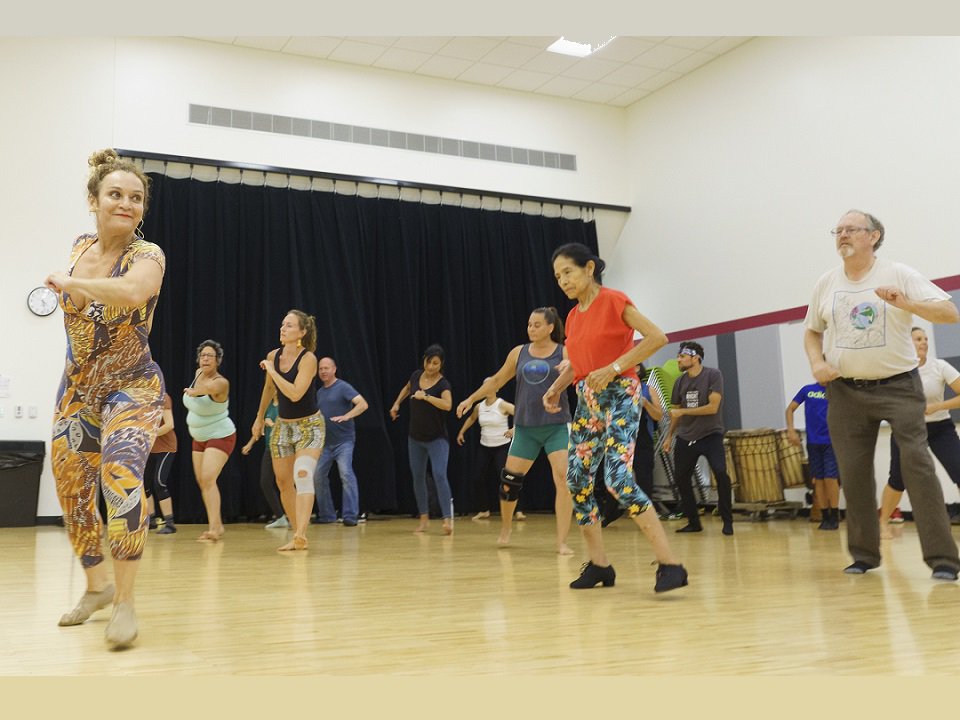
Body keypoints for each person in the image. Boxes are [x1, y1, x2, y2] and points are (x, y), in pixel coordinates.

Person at [45, 148, 166, 649]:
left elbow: (135, 293)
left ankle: (126, 603)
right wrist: (70, 289)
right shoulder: (78, 247)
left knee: (120, 480)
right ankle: (97, 587)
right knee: (72, 489)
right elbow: (74, 308)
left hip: (132, 386)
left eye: (135, 198)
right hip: (78, 389)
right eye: (115, 194)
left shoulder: (148, 255)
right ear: (93, 200)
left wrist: (74, 285)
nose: (127, 204)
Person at [804, 209, 960, 580]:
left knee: (916, 467)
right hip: (844, 391)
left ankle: (943, 560)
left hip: (899, 387)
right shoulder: (827, 283)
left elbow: (949, 312)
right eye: (837, 230)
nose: (842, 235)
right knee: (854, 475)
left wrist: (906, 303)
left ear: (873, 236)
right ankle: (863, 555)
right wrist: (816, 363)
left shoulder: (899, 273)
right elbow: (812, 331)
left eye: (851, 230)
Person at [543, 243, 688, 593]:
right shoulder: (574, 317)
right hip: (588, 399)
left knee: (617, 479)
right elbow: (580, 364)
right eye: (558, 276)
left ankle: (670, 565)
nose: (563, 280)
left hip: (621, 392)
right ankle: (599, 565)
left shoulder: (614, 300)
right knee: (576, 479)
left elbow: (657, 337)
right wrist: (556, 387)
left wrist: (614, 368)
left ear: (589, 268)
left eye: (569, 272)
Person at [456, 309, 574, 553]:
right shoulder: (518, 353)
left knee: (563, 481)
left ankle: (562, 541)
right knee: (509, 482)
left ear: (550, 328)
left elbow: (575, 373)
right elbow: (496, 380)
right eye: (530, 324)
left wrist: (570, 367)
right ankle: (506, 530)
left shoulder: (563, 352)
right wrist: (471, 399)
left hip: (556, 426)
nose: (531, 329)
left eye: (537, 325)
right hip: (525, 427)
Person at [251, 310, 325, 551]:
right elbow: (269, 389)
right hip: (283, 426)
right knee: (283, 482)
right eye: (282, 324)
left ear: (302, 333)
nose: (283, 328)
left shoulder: (308, 359)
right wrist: (259, 418)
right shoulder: (274, 355)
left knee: (302, 474)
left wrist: (272, 370)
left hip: (309, 426)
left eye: (289, 325)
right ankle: (297, 534)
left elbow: (294, 393)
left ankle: (301, 534)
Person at [879, 327, 960, 538]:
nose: (923, 342)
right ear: (907, 343)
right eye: (917, 339)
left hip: (940, 428)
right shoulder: (896, 369)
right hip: (907, 430)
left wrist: (937, 407)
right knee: (898, 479)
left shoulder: (939, 366)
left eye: (925, 339)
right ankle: (882, 523)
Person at [660, 341, 735, 536]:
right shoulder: (680, 382)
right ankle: (694, 522)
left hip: (711, 435)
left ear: (696, 358)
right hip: (686, 436)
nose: (679, 359)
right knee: (681, 478)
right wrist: (669, 437)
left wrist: (682, 410)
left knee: (720, 473)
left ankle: (727, 521)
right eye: (679, 356)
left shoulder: (713, 375)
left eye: (682, 356)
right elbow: (676, 414)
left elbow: (712, 407)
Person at [390, 344, 455, 535]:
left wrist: (426, 396)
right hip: (415, 437)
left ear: (441, 364)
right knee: (417, 477)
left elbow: (448, 405)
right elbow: (407, 387)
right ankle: (424, 519)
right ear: (424, 360)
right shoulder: (416, 375)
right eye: (429, 362)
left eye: (436, 363)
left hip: (437, 439)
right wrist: (396, 403)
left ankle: (447, 519)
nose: (432, 366)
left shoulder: (443, 384)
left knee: (439, 475)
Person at [183, 340, 236, 542]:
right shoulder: (197, 373)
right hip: (199, 437)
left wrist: (194, 392)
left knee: (208, 478)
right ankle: (216, 525)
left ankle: (215, 529)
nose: (205, 359)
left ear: (217, 361)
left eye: (210, 356)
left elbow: (208, 389)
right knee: (202, 481)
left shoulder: (221, 382)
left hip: (220, 435)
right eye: (203, 355)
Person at [598, 363, 663, 527]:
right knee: (615, 476)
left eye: (635, 366)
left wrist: (646, 404)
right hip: (620, 438)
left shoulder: (648, 389)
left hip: (642, 439)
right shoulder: (615, 389)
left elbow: (659, 416)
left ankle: (645, 516)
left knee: (644, 478)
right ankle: (610, 513)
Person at [313, 357, 368, 527]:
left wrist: (347, 416)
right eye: (321, 368)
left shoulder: (343, 387)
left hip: (344, 442)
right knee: (317, 476)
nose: (323, 371)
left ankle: (351, 515)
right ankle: (327, 515)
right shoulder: (320, 393)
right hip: (325, 443)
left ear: (334, 369)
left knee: (345, 473)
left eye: (326, 368)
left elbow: (363, 404)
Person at [456, 379, 516, 521]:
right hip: (485, 446)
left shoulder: (502, 404)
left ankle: (517, 509)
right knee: (478, 477)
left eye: (491, 385)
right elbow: (471, 418)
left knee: (507, 479)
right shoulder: (479, 406)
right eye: (484, 386)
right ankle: (484, 510)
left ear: (496, 388)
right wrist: (461, 432)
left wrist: (514, 429)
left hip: (502, 446)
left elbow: (520, 414)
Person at [786, 382, 839, 530]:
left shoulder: (837, 390)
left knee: (831, 478)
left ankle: (834, 515)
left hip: (831, 441)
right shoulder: (807, 390)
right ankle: (825, 516)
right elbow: (790, 409)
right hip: (813, 442)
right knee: (819, 480)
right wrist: (791, 430)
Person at [240, 397, 288, 528]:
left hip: (285, 449)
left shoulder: (286, 405)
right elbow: (258, 428)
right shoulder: (267, 407)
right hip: (269, 448)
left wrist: (272, 424)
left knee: (285, 482)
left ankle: (296, 516)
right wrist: (250, 444)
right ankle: (280, 517)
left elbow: (290, 428)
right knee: (265, 482)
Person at [145, 392, 178, 534]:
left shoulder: (162, 397)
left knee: (159, 483)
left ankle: (169, 523)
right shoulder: (138, 398)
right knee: (144, 485)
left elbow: (170, 424)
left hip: (166, 448)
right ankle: (151, 519)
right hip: (149, 449)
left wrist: (150, 433)